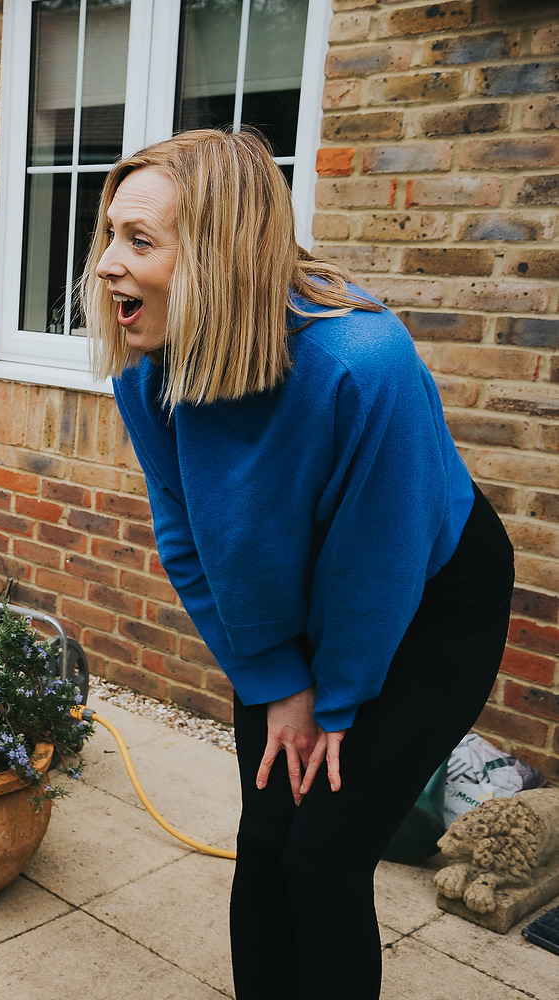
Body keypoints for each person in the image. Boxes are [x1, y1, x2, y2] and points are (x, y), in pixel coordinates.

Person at [87, 128, 514, 1000]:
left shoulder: (361, 362)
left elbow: (376, 563)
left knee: (321, 856)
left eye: (139, 241)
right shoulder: (151, 370)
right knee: (267, 840)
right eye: (108, 236)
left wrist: (339, 699)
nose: (105, 266)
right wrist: (278, 680)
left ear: (215, 253)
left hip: (428, 601)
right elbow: (190, 542)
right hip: (299, 598)